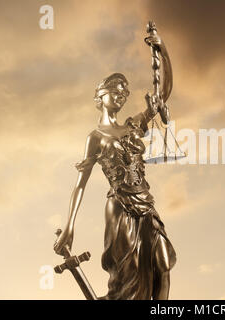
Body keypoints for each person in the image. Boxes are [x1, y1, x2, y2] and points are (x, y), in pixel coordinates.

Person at [53, 72, 176, 300]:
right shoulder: (96, 137)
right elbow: (81, 185)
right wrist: (69, 226)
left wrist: (161, 50)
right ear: (101, 96)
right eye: (115, 92)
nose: (121, 96)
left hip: (146, 205)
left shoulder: (132, 127)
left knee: (163, 264)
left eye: (124, 93)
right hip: (120, 208)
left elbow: (162, 93)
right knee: (127, 276)